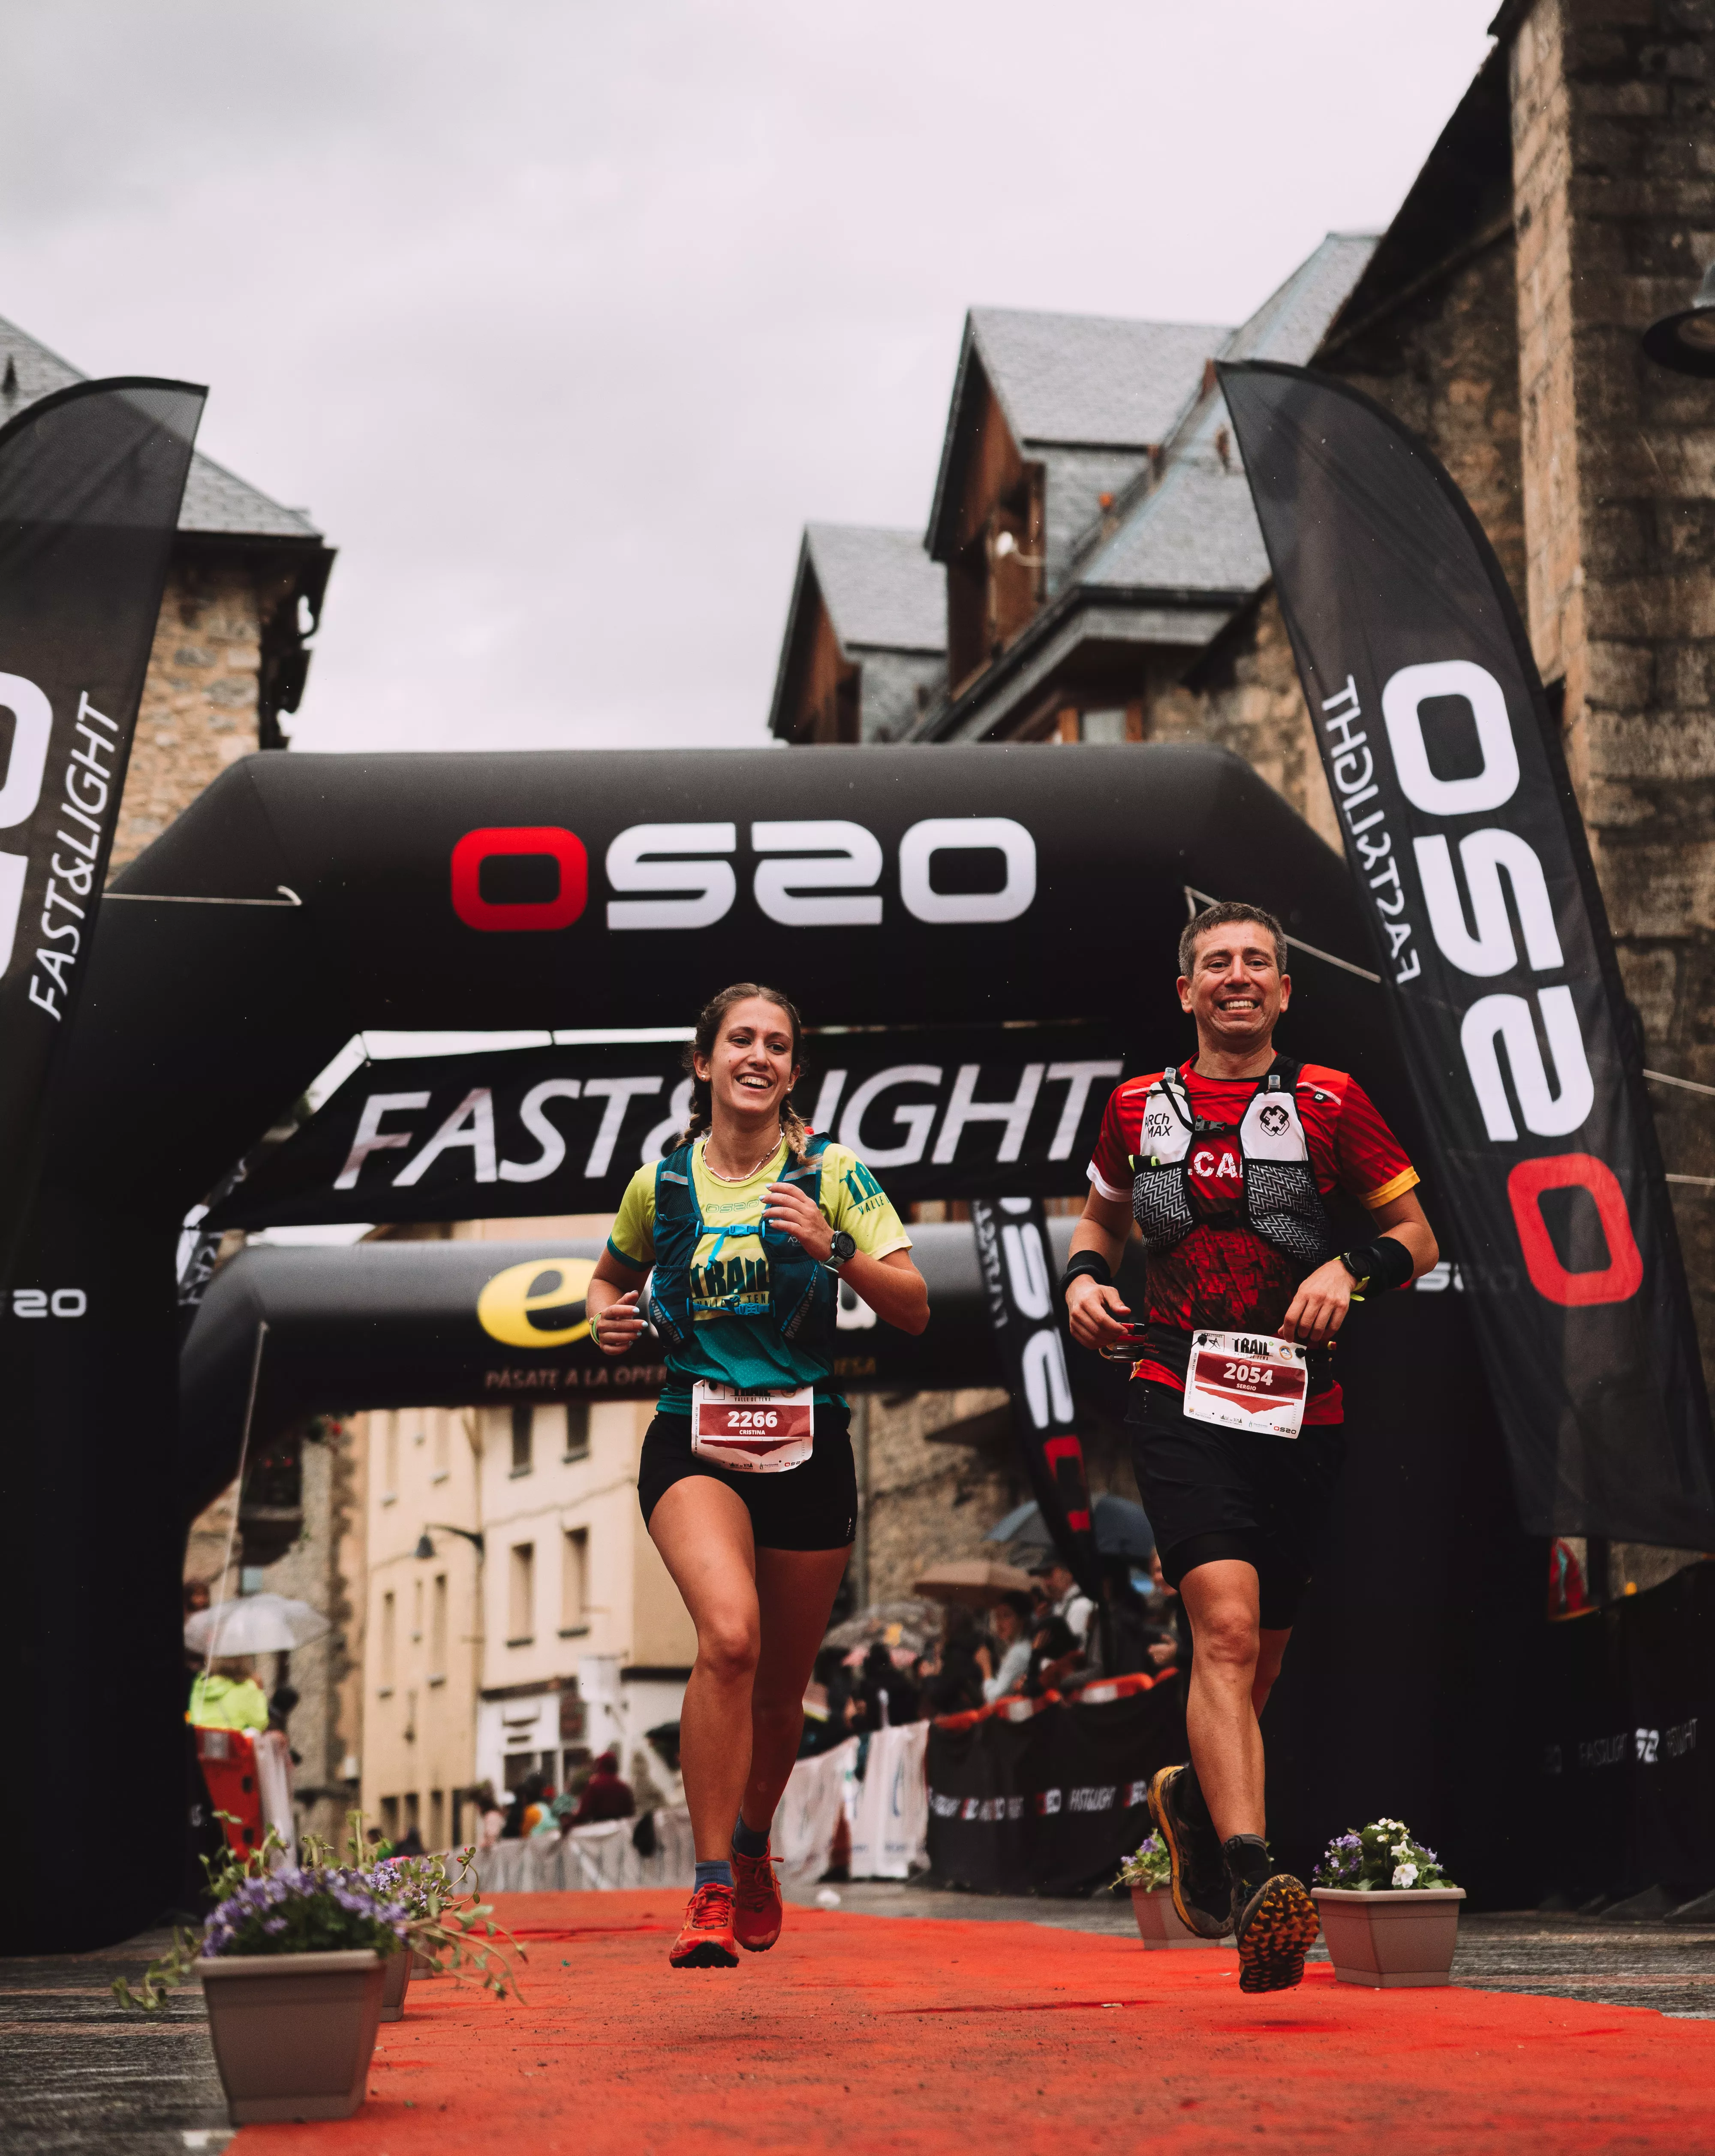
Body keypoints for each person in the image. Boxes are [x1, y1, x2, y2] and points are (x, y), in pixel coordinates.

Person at [1061, 901, 1436, 1993]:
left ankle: (1190, 1798)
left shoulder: (1330, 1099)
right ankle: (1252, 1877)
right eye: (1216, 962)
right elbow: (1101, 1222)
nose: (1236, 975)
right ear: (1185, 991)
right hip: (1174, 1390)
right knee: (1221, 1630)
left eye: (1256, 963)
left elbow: (1415, 1235)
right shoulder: (1134, 1107)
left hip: (1297, 1407)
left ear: (1281, 990)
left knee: (1258, 1658)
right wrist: (1081, 1280)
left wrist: (1350, 1270)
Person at [588, 981, 929, 1970]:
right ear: (703, 1062)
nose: (758, 1056)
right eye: (740, 1039)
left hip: (805, 1442)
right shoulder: (660, 1185)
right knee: (729, 1638)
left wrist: (835, 1250)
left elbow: (913, 1307)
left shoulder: (834, 1173)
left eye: (776, 1044)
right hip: (692, 1435)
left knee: (782, 1695)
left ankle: (749, 1846)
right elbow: (607, 1283)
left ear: (792, 1070)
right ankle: (705, 1890)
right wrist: (604, 1318)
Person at [977, 1593, 1034, 1703]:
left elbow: (994, 1698)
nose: (1000, 1623)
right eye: (998, 1616)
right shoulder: (1018, 1647)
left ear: (1021, 1620)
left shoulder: (1019, 1652)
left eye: (1007, 1616)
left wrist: (986, 1666)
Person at [569, 1750, 636, 1825]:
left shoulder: (595, 1786)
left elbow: (584, 1813)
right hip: (620, 1830)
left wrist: (569, 1825)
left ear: (600, 1766)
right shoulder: (624, 1788)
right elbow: (630, 1813)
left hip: (600, 1829)